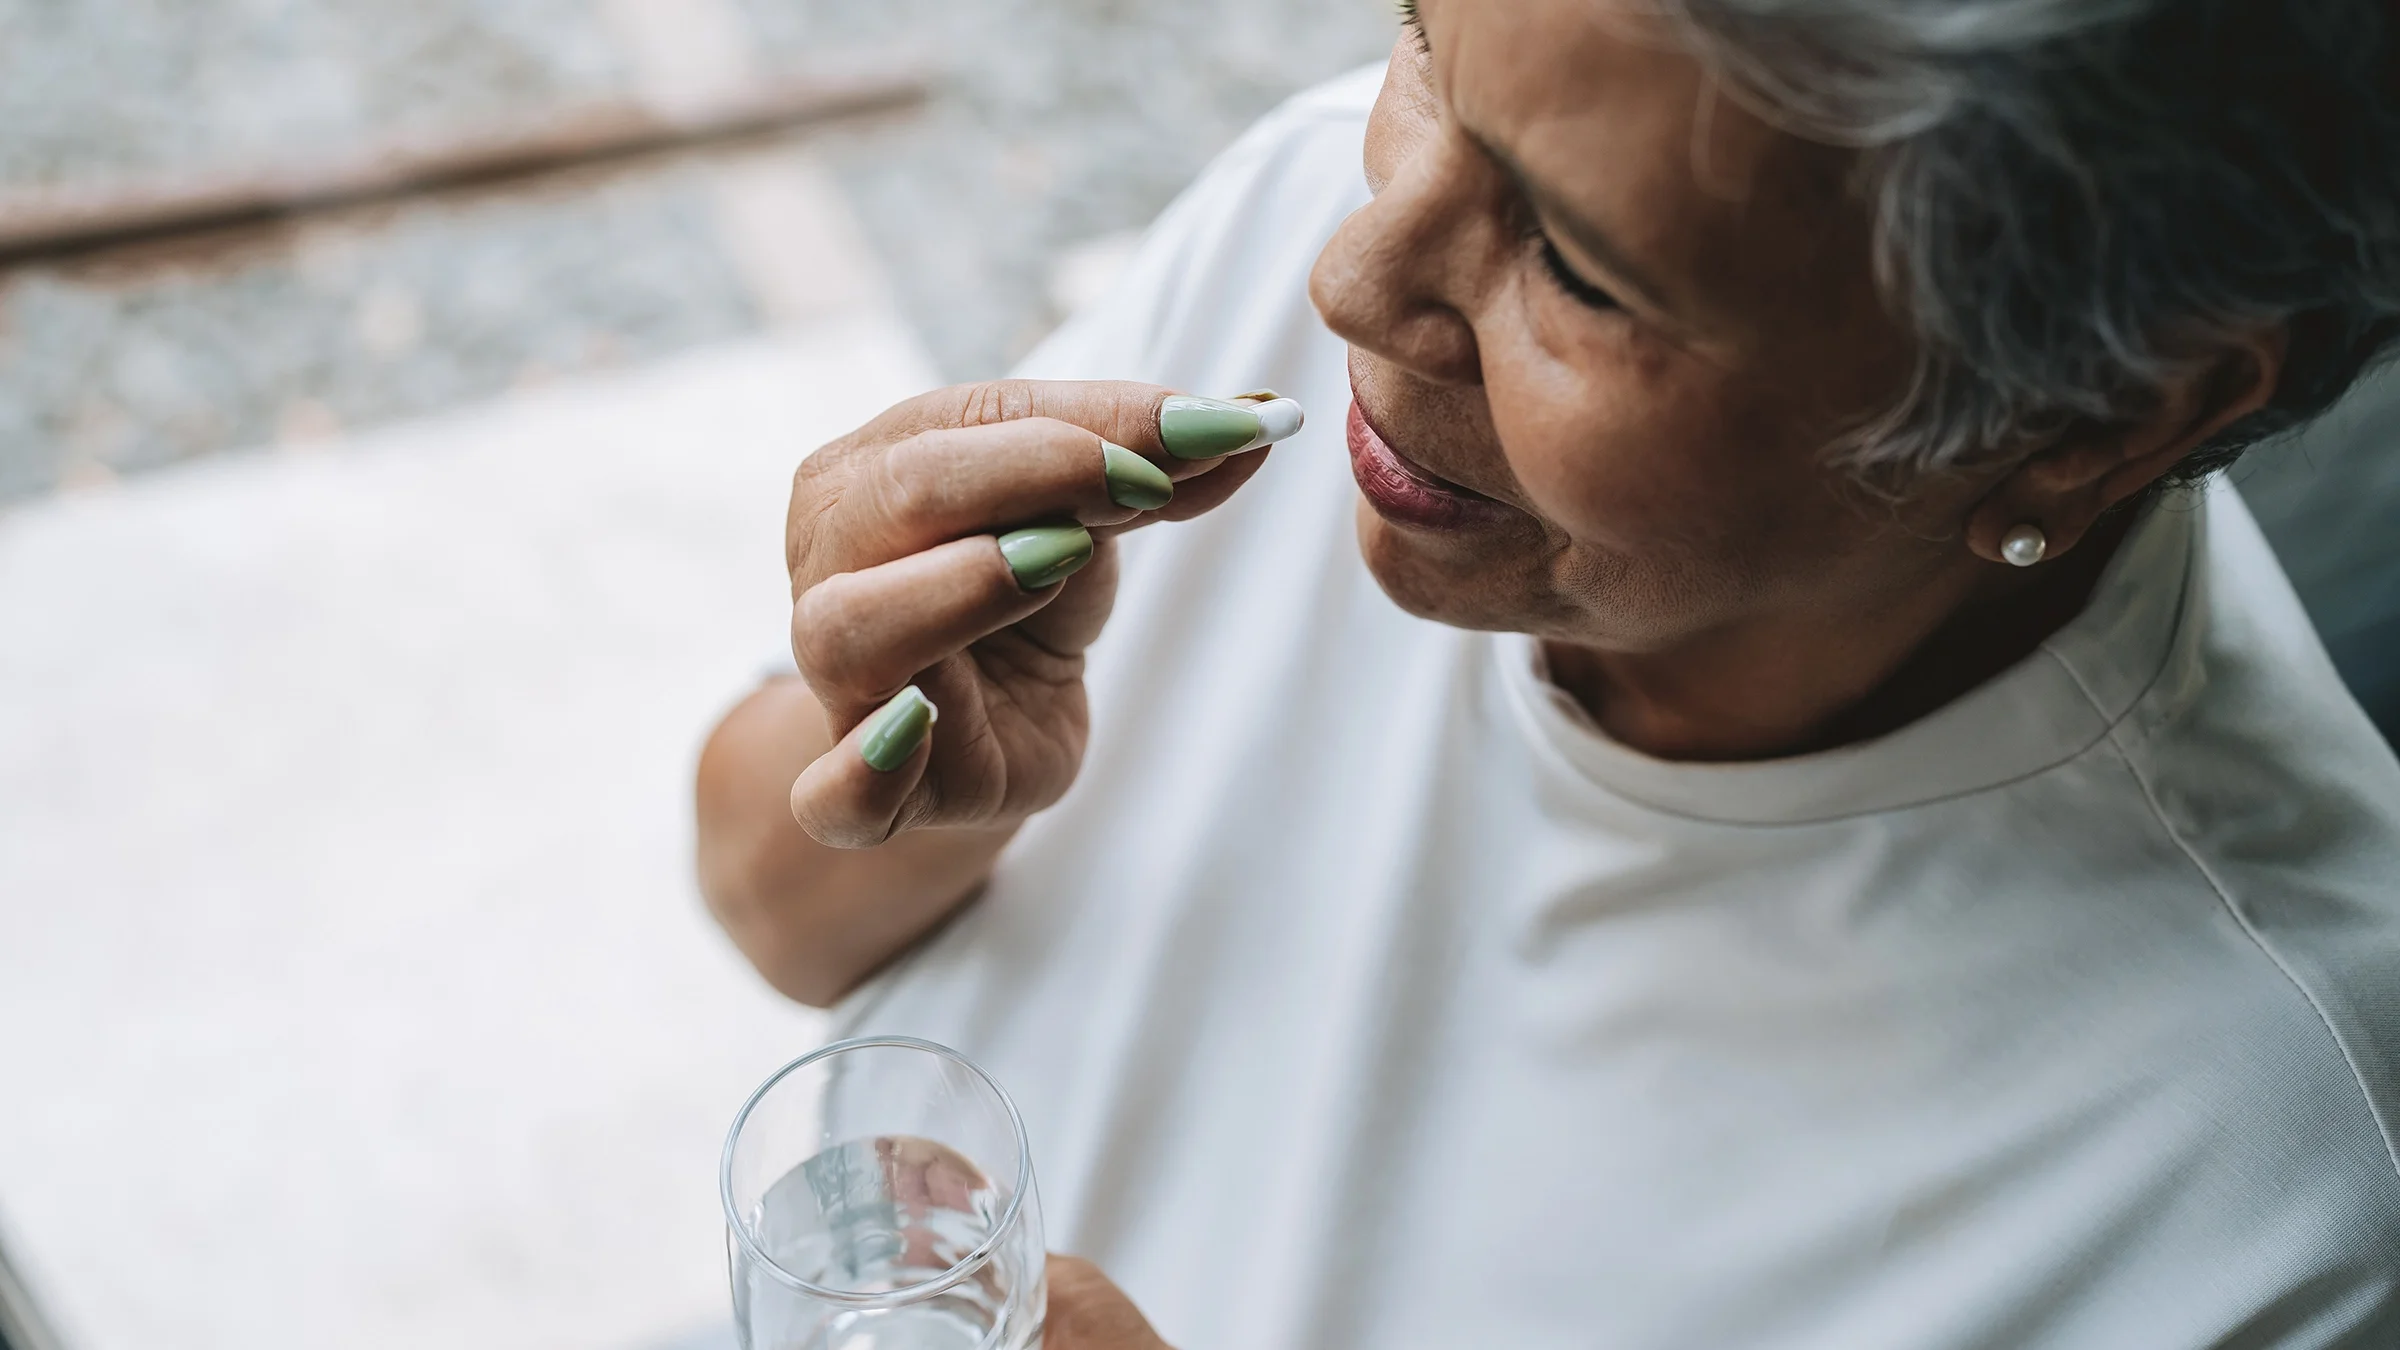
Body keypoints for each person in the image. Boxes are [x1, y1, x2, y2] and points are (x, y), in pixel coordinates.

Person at [696, 0, 2400, 1344]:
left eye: (1579, 269)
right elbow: (766, 902)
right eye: (1423, 37)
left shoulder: (2268, 1199)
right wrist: (913, 777)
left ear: (2089, 422)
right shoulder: (1312, 211)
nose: (1351, 277)